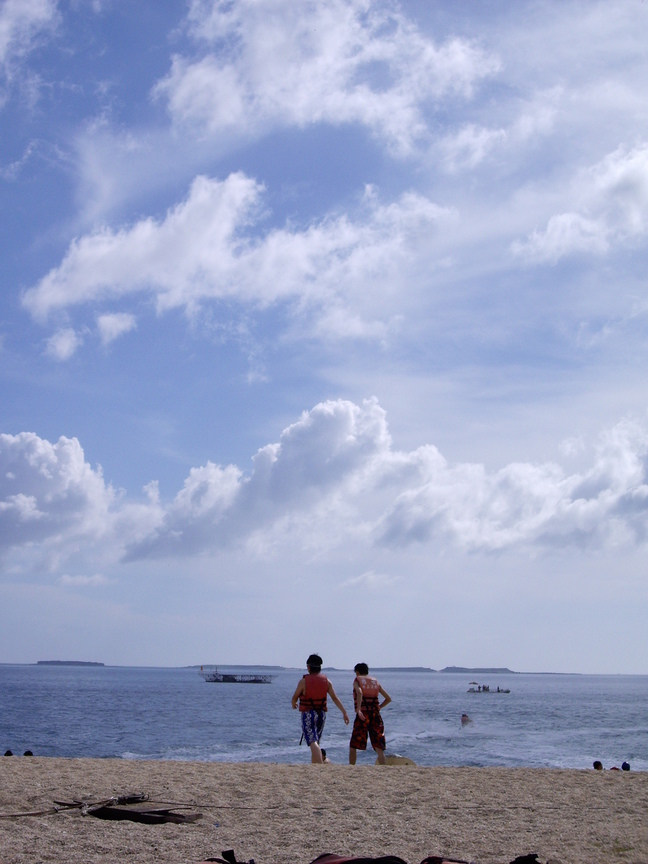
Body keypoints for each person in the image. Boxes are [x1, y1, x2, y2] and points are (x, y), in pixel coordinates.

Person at [291, 653, 349, 763]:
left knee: (312, 742)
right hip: (321, 714)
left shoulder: (304, 682)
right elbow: (335, 698)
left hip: (308, 713)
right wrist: (344, 712)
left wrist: (293, 704)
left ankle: (319, 765)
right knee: (316, 741)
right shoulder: (326, 681)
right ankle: (315, 766)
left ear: (308, 667)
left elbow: (294, 697)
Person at [349, 662, 391, 765]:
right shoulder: (375, 682)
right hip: (375, 715)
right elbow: (388, 699)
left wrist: (358, 709)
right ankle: (383, 767)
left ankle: (351, 767)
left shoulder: (357, 680)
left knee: (354, 744)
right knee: (378, 745)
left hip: (363, 715)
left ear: (357, 672)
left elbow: (359, 692)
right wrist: (378, 708)